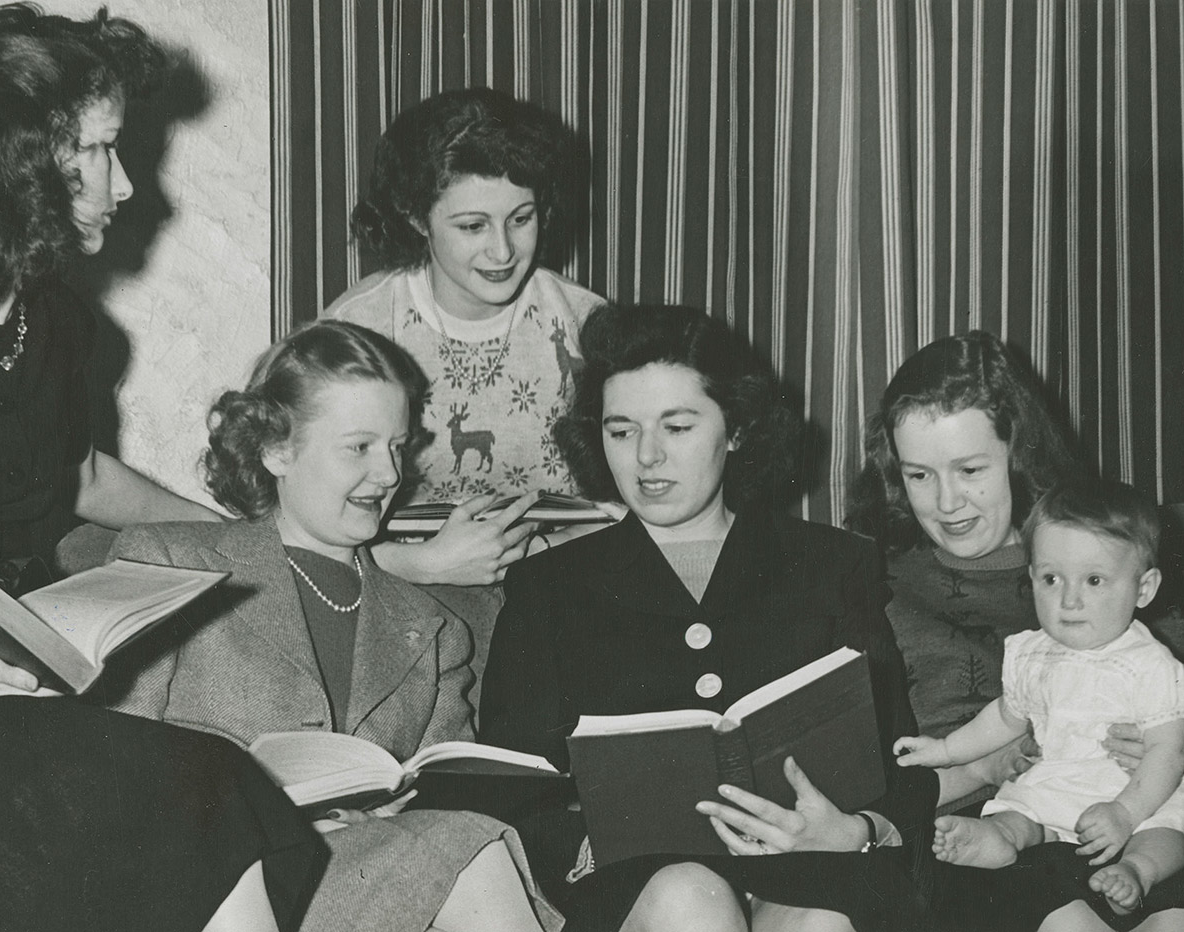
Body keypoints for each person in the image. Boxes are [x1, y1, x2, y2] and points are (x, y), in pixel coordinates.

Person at [0, 6, 323, 931]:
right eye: (103, 152)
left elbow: (78, 478)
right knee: (205, 792)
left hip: (7, 671)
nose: (125, 186)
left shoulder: (56, 322)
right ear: (21, 161)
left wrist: (247, 540)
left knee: (216, 795)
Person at [478, 303, 938, 932]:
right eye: (621, 430)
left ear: (737, 429)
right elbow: (513, 781)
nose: (647, 457)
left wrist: (857, 830)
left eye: (678, 427)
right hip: (638, 888)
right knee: (690, 899)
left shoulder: (833, 565)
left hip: (809, 866)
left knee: (823, 922)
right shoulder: (546, 587)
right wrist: (586, 848)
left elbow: (900, 760)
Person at [103, 318, 562, 932]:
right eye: (359, 447)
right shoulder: (172, 563)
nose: (389, 475)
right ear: (276, 450)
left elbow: (445, 786)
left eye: (397, 446)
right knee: (468, 848)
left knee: (468, 839)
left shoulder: (433, 625)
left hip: (359, 885)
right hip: (206, 881)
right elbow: (109, 760)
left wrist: (380, 817)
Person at [847, 331, 1184, 932]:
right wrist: (978, 770)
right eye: (919, 475)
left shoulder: (1109, 559)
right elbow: (869, 780)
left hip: (1140, 833)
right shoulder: (871, 585)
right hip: (978, 848)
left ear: (1017, 454)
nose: (948, 502)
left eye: (971, 469)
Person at [325, 87, 609, 590]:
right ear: (416, 218)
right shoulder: (358, 328)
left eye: (521, 219)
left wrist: (534, 556)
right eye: (473, 225)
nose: (503, 251)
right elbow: (300, 526)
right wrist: (416, 566)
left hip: (567, 585)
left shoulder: (587, 322)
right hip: (403, 594)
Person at [895, 479, 1184, 917]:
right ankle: (1001, 839)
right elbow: (1006, 717)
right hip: (1057, 783)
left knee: (1164, 834)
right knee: (1018, 808)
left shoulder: (1150, 665)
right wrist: (946, 749)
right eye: (1051, 578)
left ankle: (1136, 871)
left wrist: (1124, 815)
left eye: (1094, 580)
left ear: (1143, 589)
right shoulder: (1032, 653)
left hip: (1134, 796)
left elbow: (1168, 752)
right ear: (1030, 577)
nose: (1069, 599)